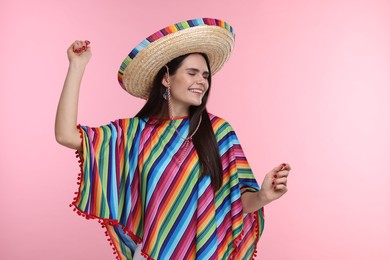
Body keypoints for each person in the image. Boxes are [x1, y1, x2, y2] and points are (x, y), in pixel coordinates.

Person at [55, 18, 290, 260]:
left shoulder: (219, 132)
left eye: (206, 75)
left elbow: (237, 204)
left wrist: (263, 196)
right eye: (192, 73)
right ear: (167, 79)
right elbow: (66, 135)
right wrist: (77, 66)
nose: (202, 81)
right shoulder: (135, 133)